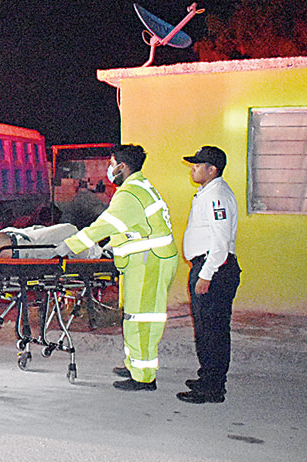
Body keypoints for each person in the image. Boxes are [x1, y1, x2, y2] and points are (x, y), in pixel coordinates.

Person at [57, 145, 178, 391]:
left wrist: (68, 246)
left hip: (149, 262)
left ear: (123, 166)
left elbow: (104, 226)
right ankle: (135, 365)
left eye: (112, 164)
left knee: (141, 319)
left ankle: (143, 377)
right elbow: (127, 226)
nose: (109, 170)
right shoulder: (140, 188)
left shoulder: (130, 194)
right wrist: (112, 247)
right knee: (134, 316)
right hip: (146, 261)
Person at [176, 146, 240, 404]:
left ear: (211, 169)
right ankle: (208, 377)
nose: (192, 168)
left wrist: (207, 274)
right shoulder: (207, 193)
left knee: (212, 331)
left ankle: (213, 387)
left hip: (214, 269)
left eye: (197, 164)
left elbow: (221, 242)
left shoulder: (218, 196)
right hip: (207, 267)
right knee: (205, 329)